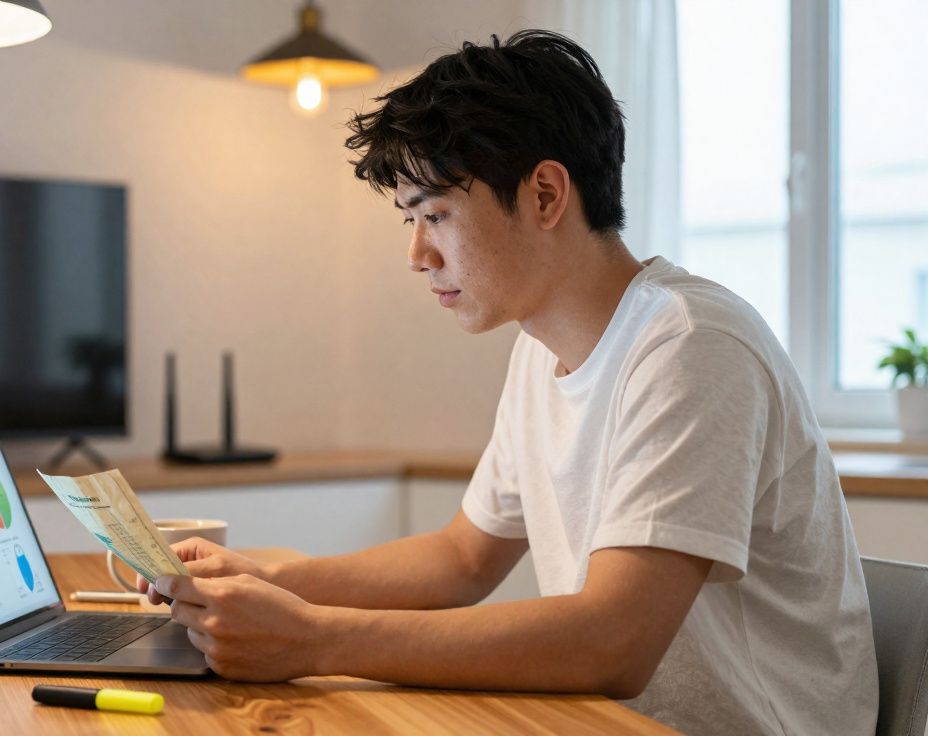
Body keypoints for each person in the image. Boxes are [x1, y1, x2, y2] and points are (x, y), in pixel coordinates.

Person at [139, 30, 877, 734]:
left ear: (546, 195)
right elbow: (461, 559)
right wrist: (267, 583)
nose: (417, 254)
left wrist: (316, 641)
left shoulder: (690, 344)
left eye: (435, 214)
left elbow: (613, 643)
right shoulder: (539, 349)